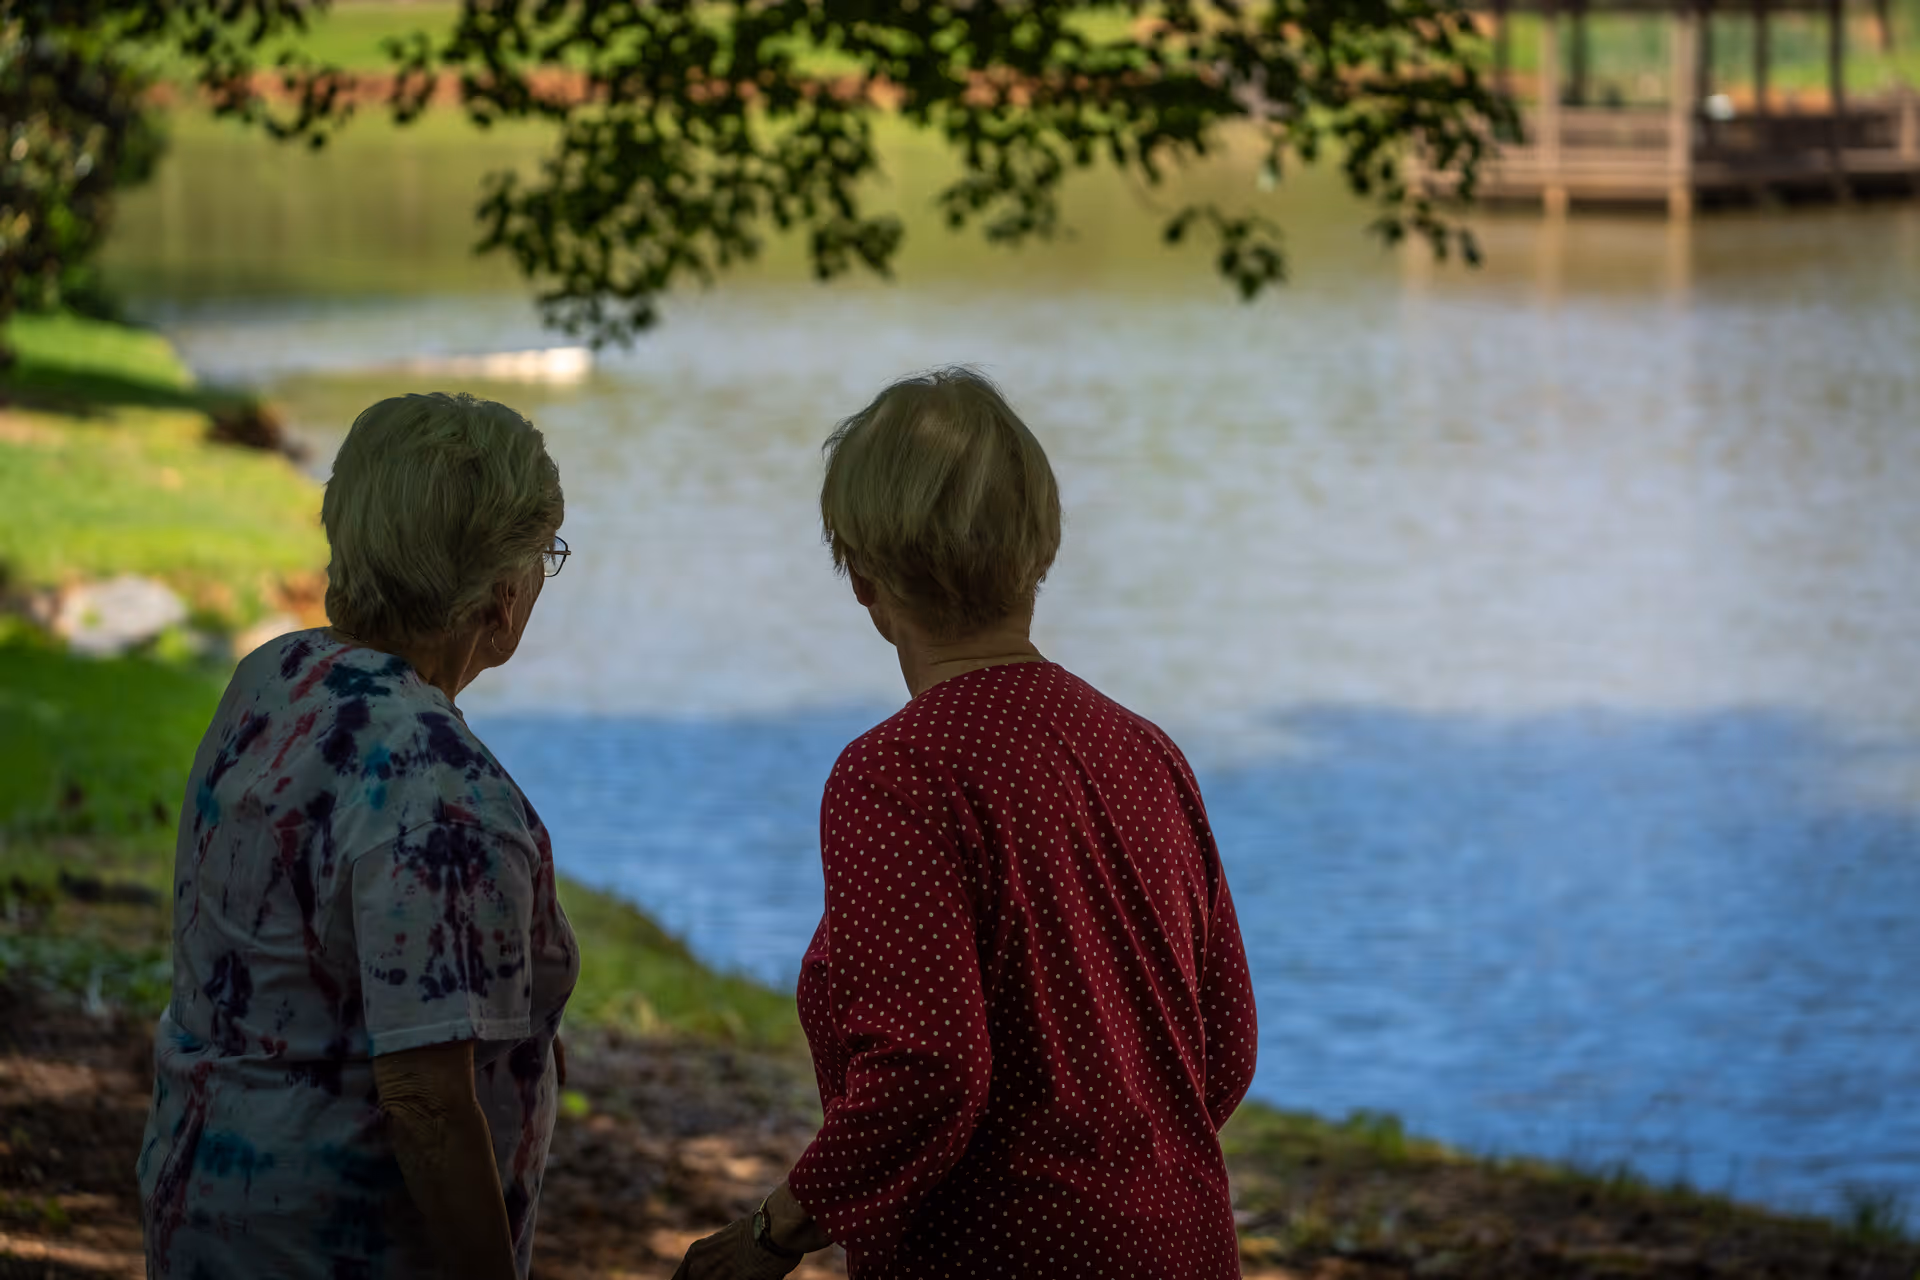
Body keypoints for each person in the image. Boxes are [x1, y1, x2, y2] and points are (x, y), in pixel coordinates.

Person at [675, 368, 1259, 1280]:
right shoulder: (1147, 752)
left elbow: (927, 1069)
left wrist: (771, 1234)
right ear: (1040, 552)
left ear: (862, 577)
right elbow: (1222, 1047)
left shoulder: (896, 775)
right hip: (1184, 1244)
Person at [138, 392, 579, 1280]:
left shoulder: (276, 676)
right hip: (335, 1246)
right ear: (499, 598)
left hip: (206, 1200)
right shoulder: (443, 795)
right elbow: (426, 1103)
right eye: (545, 558)